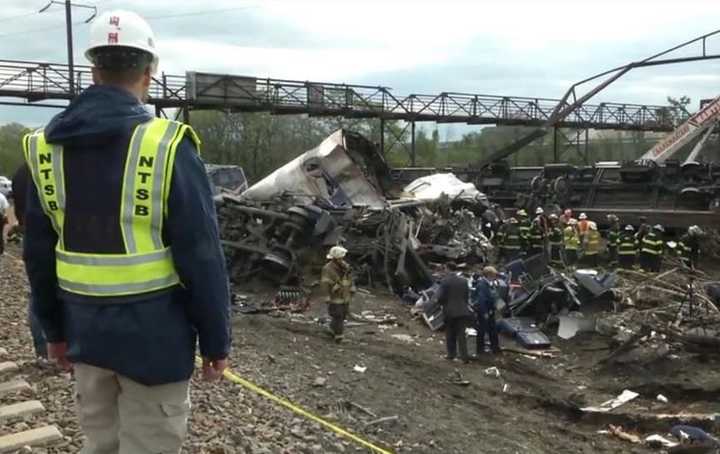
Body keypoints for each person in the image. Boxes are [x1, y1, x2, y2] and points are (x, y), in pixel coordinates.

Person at [23, 11, 231, 454]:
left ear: (93, 70)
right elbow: (202, 256)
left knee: (99, 445)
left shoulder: (44, 148)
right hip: (156, 343)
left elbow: (37, 255)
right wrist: (216, 341)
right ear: (149, 72)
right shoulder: (167, 144)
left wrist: (53, 333)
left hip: (84, 336)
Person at [437, 265, 473, 363]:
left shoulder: (445, 281)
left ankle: (451, 355)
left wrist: (442, 304)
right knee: (461, 335)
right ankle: (464, 357)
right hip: (463, 311)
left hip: (449, 311)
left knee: (450, 333)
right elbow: (466, 296)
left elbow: (440, 297)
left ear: (447, 269)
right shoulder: (464, 281)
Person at [321, 245, 354, 342]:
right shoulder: (327, 269)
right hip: (335, 295)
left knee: (343, 314)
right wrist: (326, 296)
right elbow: (325, 283)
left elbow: (350, 278)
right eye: (341, 258)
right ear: (335, 259)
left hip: (345, 294)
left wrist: (352, 286)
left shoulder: (345, 267)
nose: (343, 260)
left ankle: (331, 329)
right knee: (338, 315)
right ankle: (339, 336)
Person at [471, 266, 500, 355]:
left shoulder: (490, 284)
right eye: (494, 275)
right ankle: (480, 350)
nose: (495, 276)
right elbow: (481, 300)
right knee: (482, 330)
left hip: (490, 310)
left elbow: (494, 296)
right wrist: (484, 313)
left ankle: (495, 347)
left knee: (492, 329)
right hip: (484, 311)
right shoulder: (482, 285)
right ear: (489, 275)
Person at [0, 190, 8, 255]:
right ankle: (1, 251)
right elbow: (5, 209)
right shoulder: (2, 196)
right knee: (0, 234)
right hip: (0, 216)